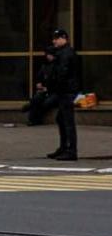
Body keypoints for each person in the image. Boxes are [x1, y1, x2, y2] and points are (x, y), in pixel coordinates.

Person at [46, 29, 81, 161]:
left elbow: (62, 73)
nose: (54, 41)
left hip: (66, 91)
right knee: (61, 119)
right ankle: (64, 148)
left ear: (64, 38)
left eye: (56, 38)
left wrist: (55, 86)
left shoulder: (66, 54)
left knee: (67, 121)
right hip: (65, 90)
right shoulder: (62, 53)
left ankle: (71, 150)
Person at [24, 45, 59, 127]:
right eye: (47, 55)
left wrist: (48, 88)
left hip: (55, 92)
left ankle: (31, 108)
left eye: (50, 55)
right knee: (36, 99)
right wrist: (39, 83)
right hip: (45, 91)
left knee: (46, 103)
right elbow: (39, 77)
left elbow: (59, 81)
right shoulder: (45, 66)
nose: (48, 56)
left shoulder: (58, 66)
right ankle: (32, 120)